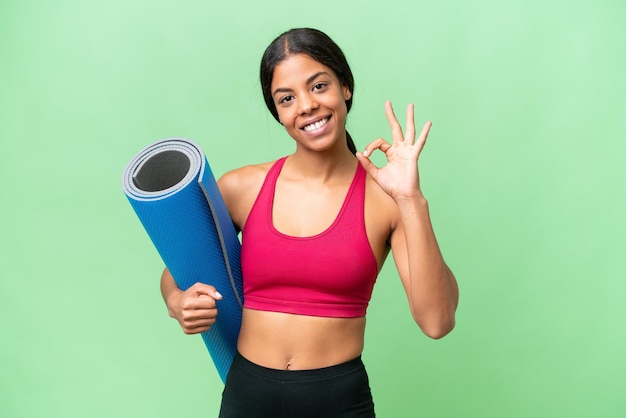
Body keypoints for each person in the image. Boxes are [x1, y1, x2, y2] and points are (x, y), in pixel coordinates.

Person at [160, 27, 459, 417]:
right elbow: (178, 269)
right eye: (287, 98)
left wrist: (411, 201)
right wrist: (176, 300)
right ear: (279, 112)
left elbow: (437, 321)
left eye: (318, 86)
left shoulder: (386, 200)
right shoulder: (242, 187)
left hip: (337, 400)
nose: (306, 105)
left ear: (345, 87)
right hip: (247, 395)